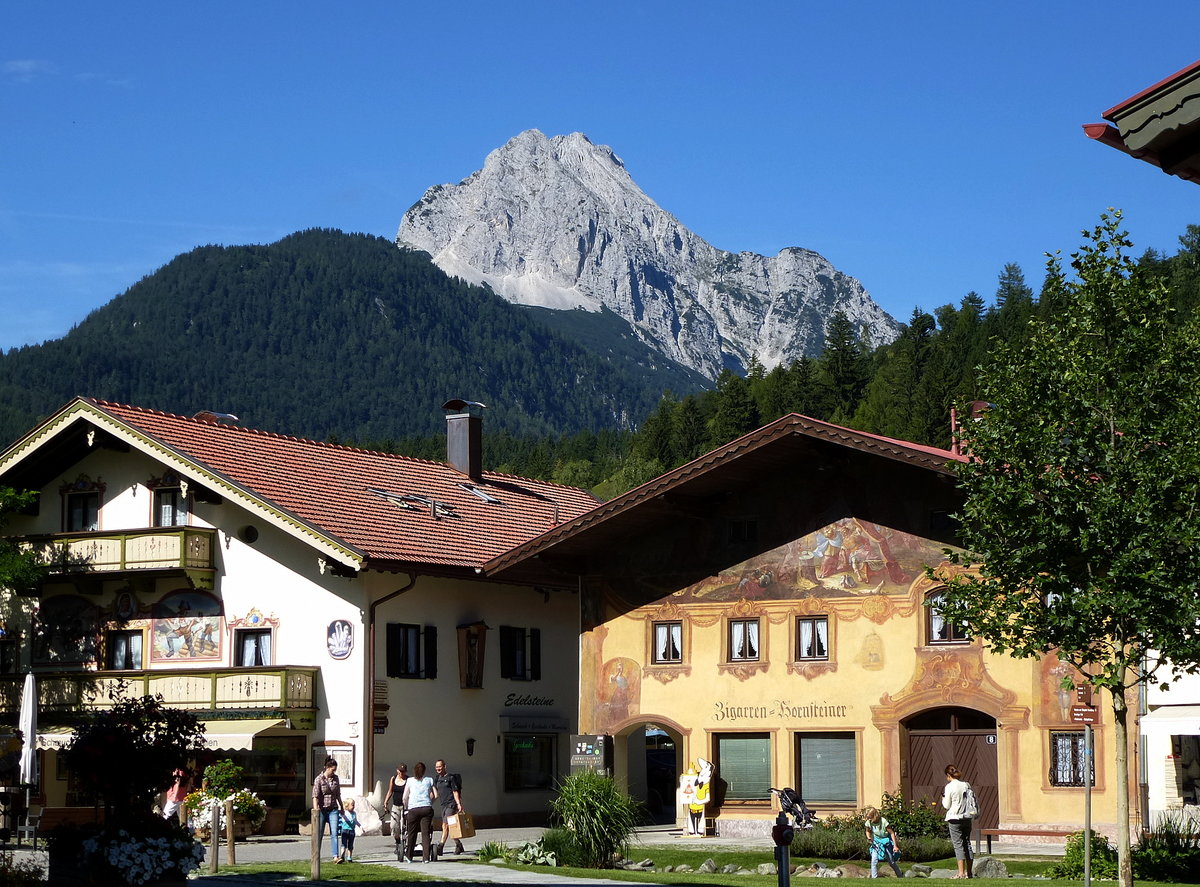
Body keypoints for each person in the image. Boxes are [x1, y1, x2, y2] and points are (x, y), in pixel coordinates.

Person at [942, 764, 974, 879]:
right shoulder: (966, 785)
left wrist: (943, 798)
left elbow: (946, 805)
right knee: (967, 843)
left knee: (958, 845)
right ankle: (969, 873)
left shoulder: (949, 786)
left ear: (948, 775)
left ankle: (960, 873)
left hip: (954, 817)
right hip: (967, 817)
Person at [402, 761, 437, 863]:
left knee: (411, 833)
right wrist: (430, 802)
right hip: (426, 808)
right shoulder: (429, 780)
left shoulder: (409, 781)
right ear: (424, 771)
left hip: (413, 809)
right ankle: (426, 858)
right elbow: (435, 795)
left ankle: (409, 856)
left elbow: (405, 797)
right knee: (425, 833)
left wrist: (407, 807)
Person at [312, 757, 343, 863]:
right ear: (327, 767)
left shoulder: (336, 779)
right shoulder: (319, 779)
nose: (334, 772)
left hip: (333, 809)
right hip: (322, 810)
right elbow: (315, 796)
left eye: (335, 770)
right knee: (318, 834)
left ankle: (335, 856)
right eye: (332, 770)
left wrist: (342, 807)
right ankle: (316, 856)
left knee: (334, 833)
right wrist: (316, 810)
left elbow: (338, 794)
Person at [433, 758, 465, 856]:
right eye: (437, 767)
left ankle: (440, 846)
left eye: (440, 766)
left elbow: (455, 792)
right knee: (451, 826)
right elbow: (434, 793)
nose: (438, 769)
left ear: (444, 766)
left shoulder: (451, 778)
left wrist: (458, 804)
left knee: (445, 825)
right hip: (443, 805)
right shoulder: (437, 779)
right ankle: (458, 845)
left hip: (451, 805)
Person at [863, 806, 902, 878]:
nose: (868, 819)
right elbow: (867, 831)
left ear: (874, 815)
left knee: (891, 862)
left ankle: (900, 876)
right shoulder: (868, 823)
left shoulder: (883, 821)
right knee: (874, 860)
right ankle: (874, 878)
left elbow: (892, 833)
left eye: (869, 817)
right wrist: (869, 838)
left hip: (886, 842)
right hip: (876, 842)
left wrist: (895, 846)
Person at [383, 763, 409, 860]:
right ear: (397, 770)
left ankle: (405, 843)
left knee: (405, 826)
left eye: (403, 772)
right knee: (394, 826)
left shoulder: (408, 780)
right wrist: (385, 802)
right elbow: (390, 791)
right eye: (400, 771)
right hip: (396, 806)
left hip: (406, 806)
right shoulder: (393, 779)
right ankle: (398, 841)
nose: (401, 773)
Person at [335, 798, 361, 863]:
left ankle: (349, 857)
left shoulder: (354, 813)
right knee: (344, 844)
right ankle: (342, 856)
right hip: (345, 830)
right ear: (347, 806)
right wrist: (342, 814)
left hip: (352, 831)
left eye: (354, 805)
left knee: (350, 845)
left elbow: (355, 821)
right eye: (352, 805)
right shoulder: (345, 813)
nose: (353, 806)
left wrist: (360, 826)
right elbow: (343, 817)